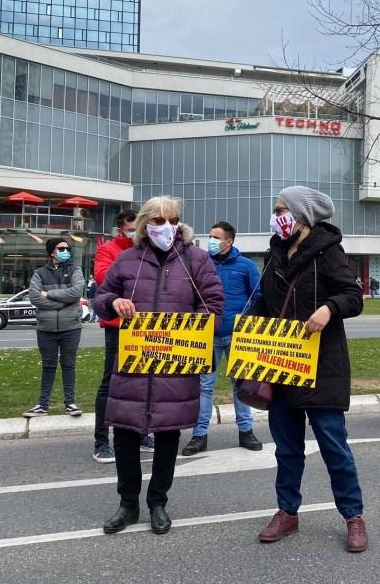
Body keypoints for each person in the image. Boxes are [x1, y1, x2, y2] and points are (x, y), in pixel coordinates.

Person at [94, 196, 224, 535]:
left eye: (173, 220)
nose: (166, 227)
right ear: (144, 225)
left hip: (175, 366)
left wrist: (186, 330)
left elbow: (213, 303)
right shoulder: (127, 260)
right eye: (159, 221)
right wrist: (114, 302)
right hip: (133, 366)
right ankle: (127, 504)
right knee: (124, 437)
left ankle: (158, 503)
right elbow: (100, 297)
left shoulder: (196, 259)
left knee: (168, 437)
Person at [253, 186, 368, 553]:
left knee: (334, 446)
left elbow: (353, 296)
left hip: (321, 366)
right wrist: (243, 329)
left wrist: (329, 308)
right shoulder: (274, 253)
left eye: (281, 209)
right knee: (287, 448)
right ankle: (287, 512)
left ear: (301, 216)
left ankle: (353, 516)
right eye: (275, 210)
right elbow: (262, 302)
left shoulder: (329, 252)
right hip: (280, 364)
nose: (276, 216)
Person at [182, 220, 263, 456]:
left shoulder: (246, 266)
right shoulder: (201, 264)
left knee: (241, 385)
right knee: (204, 386)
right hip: (207, 336)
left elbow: (257, 296)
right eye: (210, 236)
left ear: (229, 241)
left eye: (216, 237)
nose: (211, 241)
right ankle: (199, 435)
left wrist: (245, 321)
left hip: (237, 335)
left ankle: (246, 431)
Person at [91, 210, 154, 463]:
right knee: (111, 384)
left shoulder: (149, 250)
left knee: (143, 383)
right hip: (118, 326)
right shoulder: (109, 250)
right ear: (121, 229)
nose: (137, 231)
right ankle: (101, 441)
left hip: (146, 326)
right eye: (132, 227)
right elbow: (104, 280)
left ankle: (139, 433)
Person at [23, 238, 86, 418]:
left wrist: (49, 294)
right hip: (46, 328)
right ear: (52, 252)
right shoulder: (40, 273)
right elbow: (35, 297)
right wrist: (62, 304)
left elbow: (76, 292)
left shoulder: (75, 270)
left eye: (67, 248)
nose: (66, 250)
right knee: (48, 366)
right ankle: (43, 405)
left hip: (71, 327)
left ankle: (70, 403)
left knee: (69, 365)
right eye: (61, 248)